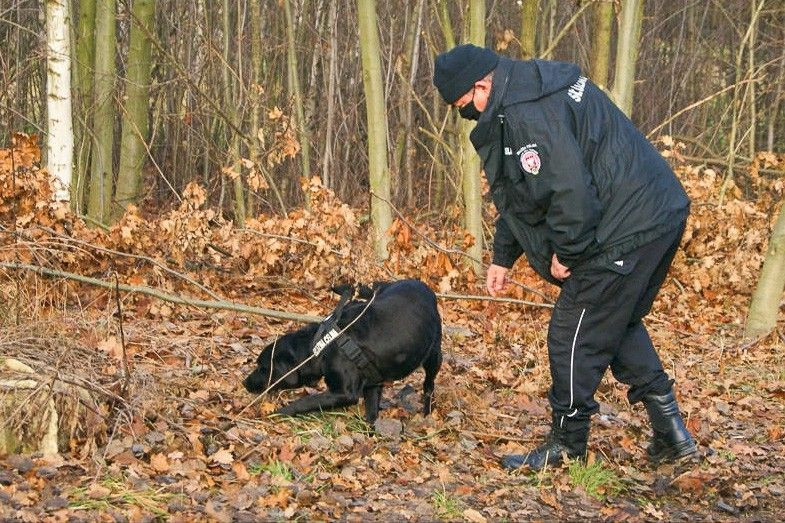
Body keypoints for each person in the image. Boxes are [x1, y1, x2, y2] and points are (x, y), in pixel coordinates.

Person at [432, 44, 698, 470]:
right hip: (657, 213)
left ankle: (567, 445)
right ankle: (672, 434)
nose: (469, 115)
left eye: (466, 105)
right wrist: (503, 255)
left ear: (482, 84)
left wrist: (569, 251)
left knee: (571, 331)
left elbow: (568, 189)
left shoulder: (526, 111)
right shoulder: (527, 91)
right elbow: (523, 194)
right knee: (613, 319)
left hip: (627, 223)